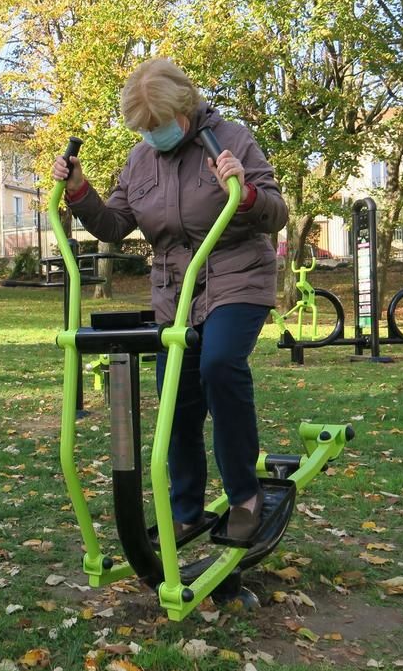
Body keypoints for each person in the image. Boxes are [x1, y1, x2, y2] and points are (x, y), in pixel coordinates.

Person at [51, 57, 288, 542]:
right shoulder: (140, 160)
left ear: (186, 108)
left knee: (219, 365)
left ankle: (244, 496)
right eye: (145, 129)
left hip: (237, 276)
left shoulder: (231, 139)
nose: (153, 135)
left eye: (160, 125)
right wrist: (78, 191)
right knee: (176, 396)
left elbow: (276, 214)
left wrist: (243, 195)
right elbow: (115, 226)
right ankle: (185, 508)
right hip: (174, 291)